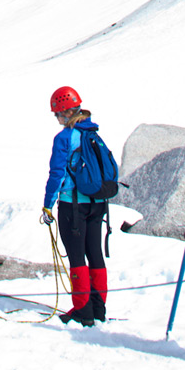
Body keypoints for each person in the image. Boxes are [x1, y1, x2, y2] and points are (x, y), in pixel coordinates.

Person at [42, 86, 111, 327]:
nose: (57, 119)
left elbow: (57, 173)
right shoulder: (93, 132)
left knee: (76, 257)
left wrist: (47, 205)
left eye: (57, 114)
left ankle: (83, 311)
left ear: (65, 112)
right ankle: (98, 309)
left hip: (73, 205)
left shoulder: (64, 137)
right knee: (95, 253)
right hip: (98, 203)